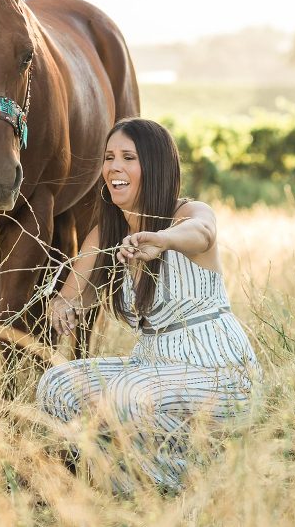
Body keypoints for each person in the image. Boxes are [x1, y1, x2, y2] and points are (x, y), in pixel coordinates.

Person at [36, 117, 261, 493]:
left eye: (128, 157)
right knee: (58, 384)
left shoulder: (188, 215)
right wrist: (62, 304)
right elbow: (73, 292)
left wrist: (163, 239)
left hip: (218, 369)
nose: (114, 168)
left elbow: (203, 234)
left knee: (127, 394)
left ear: (154, 166)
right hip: (152, 364)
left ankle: (186, 486)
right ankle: (111, 482)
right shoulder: (107, 231)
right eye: (109, 157)